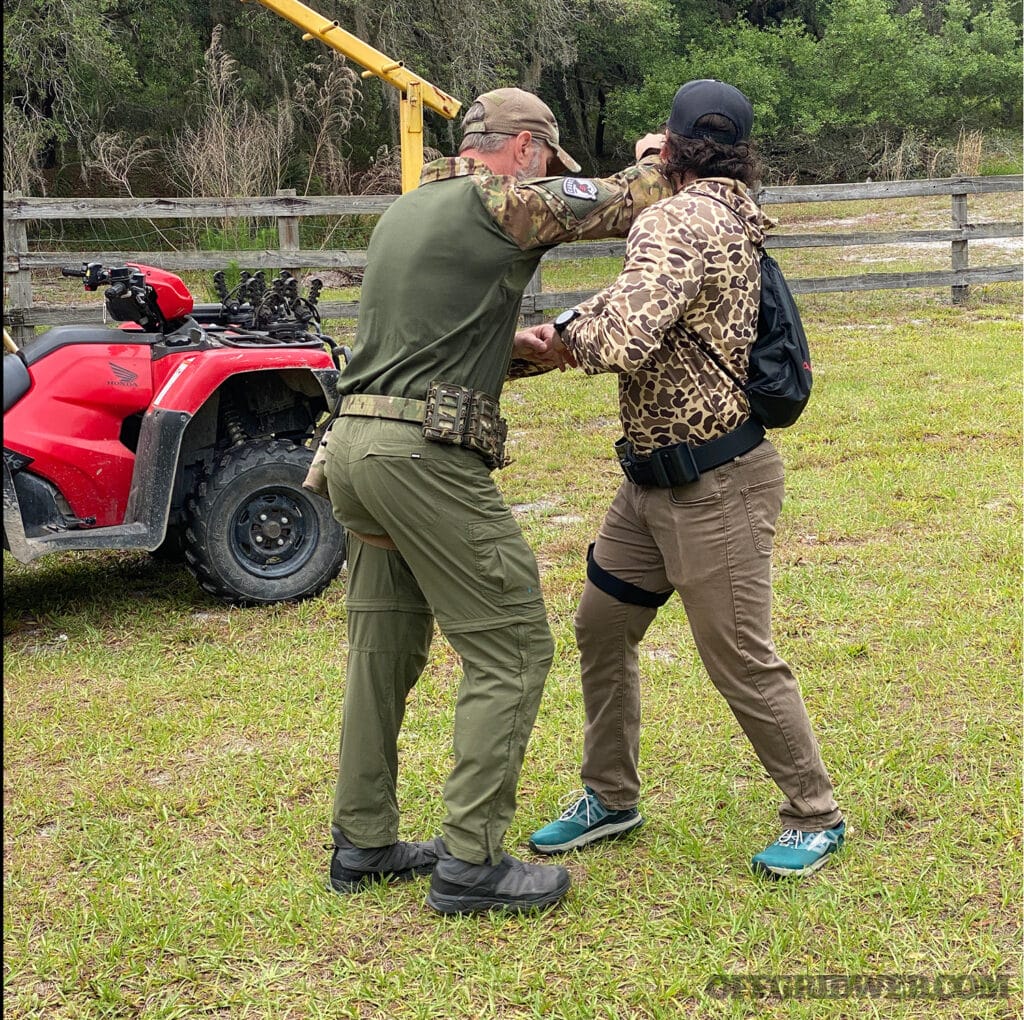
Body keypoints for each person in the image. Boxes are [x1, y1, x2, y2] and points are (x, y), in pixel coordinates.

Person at [322, 86, 674, 915]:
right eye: (548, 160)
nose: (549, 173)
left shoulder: (410, 213)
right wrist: (658, 156)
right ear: (522, 148)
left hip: (351, 449)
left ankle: (363, 840)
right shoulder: (500, 203)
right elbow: (633, 200)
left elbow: (420, 344)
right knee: (513, 645)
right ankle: (472, 862)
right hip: (420, 459)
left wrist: (506, 350)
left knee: (383, 652)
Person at [527, 79, 846, 879]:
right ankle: (611, 794)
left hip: (715, 486)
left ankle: (815, 812)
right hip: (649, 484)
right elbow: (646, 297)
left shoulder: (672, 219)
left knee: (739, 655)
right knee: (603, 626)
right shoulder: (735, 210)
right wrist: (576, 322)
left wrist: (556, 343)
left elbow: (629, 333)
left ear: (666, 148)